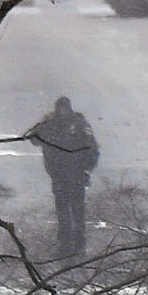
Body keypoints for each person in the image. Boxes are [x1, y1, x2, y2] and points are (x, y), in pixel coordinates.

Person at [29, 97, 98, 257]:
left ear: (69, 108)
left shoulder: (80, 124)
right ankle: (65, 245)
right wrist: (42, 125)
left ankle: (79, 246)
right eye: (60, 108)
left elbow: (92, 149)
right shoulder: (51, 124)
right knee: (62, 211)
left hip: (77, 173)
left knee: (77, 210)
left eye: (64, 108)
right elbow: (33, 139)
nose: (62, 111)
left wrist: (87, 169)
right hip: (58, 174)